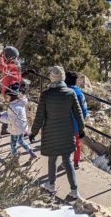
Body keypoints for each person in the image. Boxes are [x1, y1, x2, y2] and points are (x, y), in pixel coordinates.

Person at [30, 65, 85, 200]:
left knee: (52, 159)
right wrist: (82, 128)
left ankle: (51, 185)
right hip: (67, 131)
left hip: (50, 132)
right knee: (68, 161)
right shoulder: (70, 93)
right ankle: (74, 190)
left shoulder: (46, 95)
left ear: (51, 78)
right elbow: (78, 113)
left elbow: (40, 116)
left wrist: (34, 132)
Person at [1, 88, 37, 160]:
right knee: (21, 140)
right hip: (22, 126)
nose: (6, 99)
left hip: (15, 128)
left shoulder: (13, 106)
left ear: (11, 97)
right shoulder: (20, 102)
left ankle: (14, 158)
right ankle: (31, 151)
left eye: (7, 97)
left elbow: (10, 119)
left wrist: (0, 118)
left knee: (13, 144)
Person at [65, 71, 89, 170]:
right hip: (77, 125)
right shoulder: (80, 93)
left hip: (66, 124)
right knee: (77, 143)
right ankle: (76, 163)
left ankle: (66, 163)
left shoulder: (65, 92)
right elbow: (84, 109)